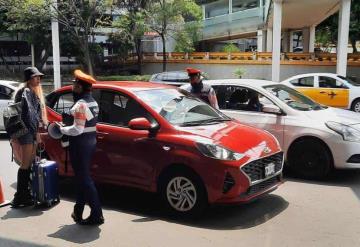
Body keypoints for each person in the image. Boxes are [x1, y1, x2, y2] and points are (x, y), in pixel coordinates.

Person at [59, 69, 104, 225]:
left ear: (79, 87)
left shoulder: (81, 105)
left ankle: (97, 214)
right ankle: (78, 211)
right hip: (90, 143)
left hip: (80, 145)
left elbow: (77, 129)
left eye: (74, 84)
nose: (72, 87)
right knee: (80, 179)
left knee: (84, 179)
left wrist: (61, 129)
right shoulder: (92, 102)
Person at [11, 67, 48, 208]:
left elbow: (34, 116)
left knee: (28, 164)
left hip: (30, 132)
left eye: (39, 77)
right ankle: (20, 196)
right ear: (28, 78)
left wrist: (37, 133)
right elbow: (28, 116)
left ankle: (24, 195)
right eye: (35, 77)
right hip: (26, 133)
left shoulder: (31, 92)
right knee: (25, 164)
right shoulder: (25, 92)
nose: (38, 79)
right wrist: (35, 133)